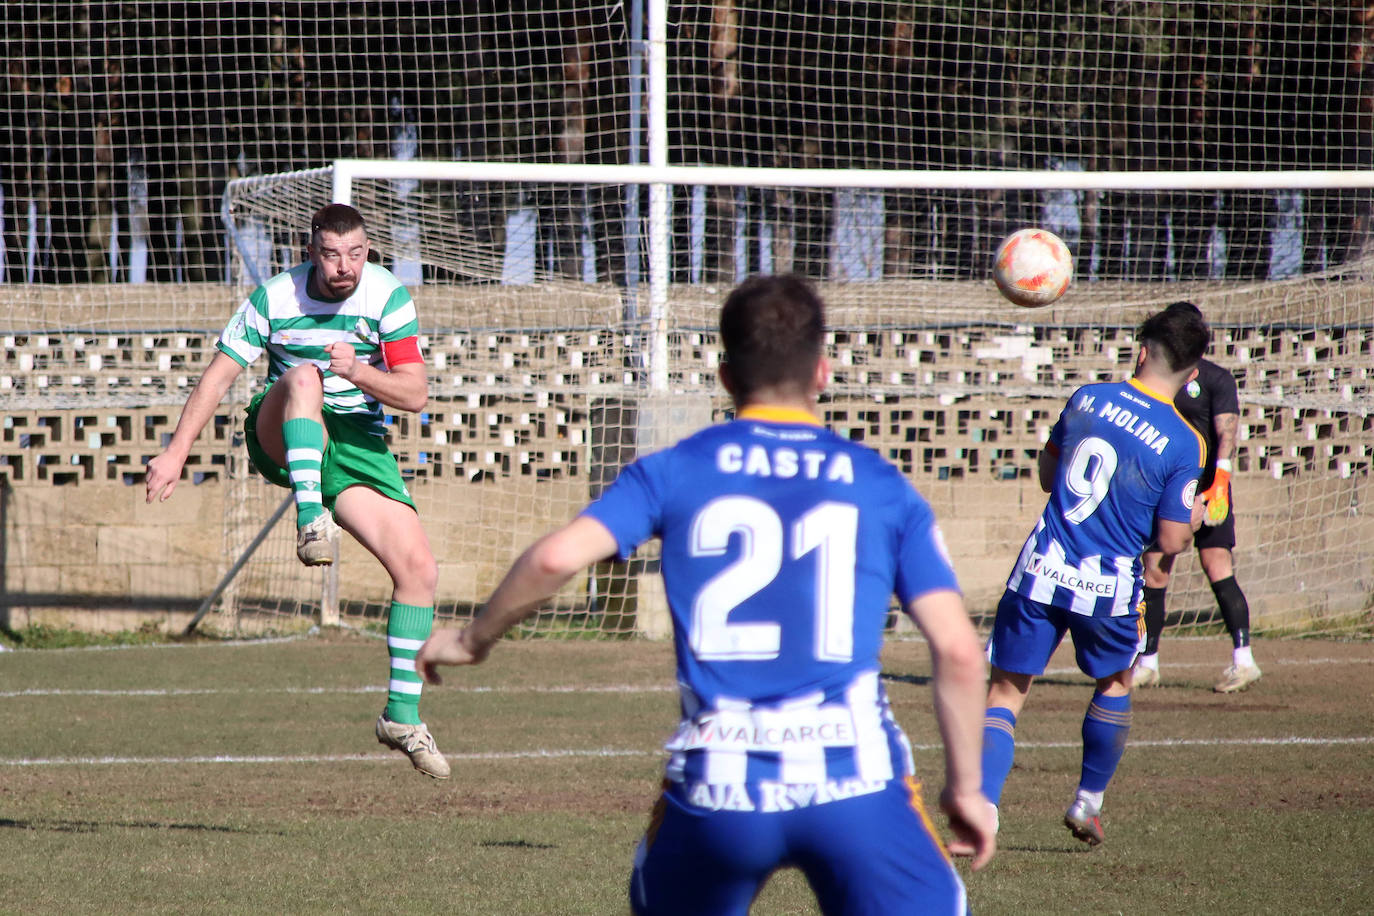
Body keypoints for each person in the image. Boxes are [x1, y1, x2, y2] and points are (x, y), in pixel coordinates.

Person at [417, 274, 995, 915]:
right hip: (854, 780)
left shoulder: (674, 469)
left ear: (724, 376)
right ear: (824, 372)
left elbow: (555, 557)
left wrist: (472, 640)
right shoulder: (881, 485)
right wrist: (967, 788)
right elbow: (961, 654)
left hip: (720, 782)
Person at [145, 203, 449, 779]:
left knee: (419, 571)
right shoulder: (273, 298)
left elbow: (413, 395)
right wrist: (176, 450)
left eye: (356, 254)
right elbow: (218, 376)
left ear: (367, 252)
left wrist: (359, 370)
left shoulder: (387, 297)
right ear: (312, 250)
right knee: (306, 374)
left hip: (354, 437)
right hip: (283, 424)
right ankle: (311, 516)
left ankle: (401, 716)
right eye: (332, 255)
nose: (345, 267)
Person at [980, 301, 1211, 847]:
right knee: (1114, 681)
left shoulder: (1088, 398)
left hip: (1041, 568)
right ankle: (1087, 803)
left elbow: (1046, 474)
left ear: (1141, 350)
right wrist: (1194, 517)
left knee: (1007, 693)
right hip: (1107, 587)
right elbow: (1173, 540)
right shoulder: (1185, 442)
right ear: (1193, 374)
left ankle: (984, 807)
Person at [1133, 343, 1261, 693]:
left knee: (1217, 564)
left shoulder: (1217, 378)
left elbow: (1226, 431)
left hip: (1209, 487)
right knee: (1155, 568)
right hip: (1170, 486)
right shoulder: (1159, 376)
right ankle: (1147, 663)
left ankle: (1244, 661)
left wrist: (1221, 480)